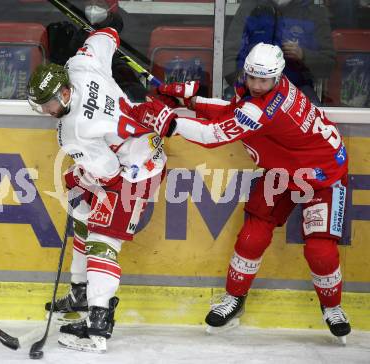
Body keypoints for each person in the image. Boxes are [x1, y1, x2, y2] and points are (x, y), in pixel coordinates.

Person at [127, 42, 351, 343]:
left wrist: (170, 123)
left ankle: (332, 307)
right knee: (251, 236)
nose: (257, 85)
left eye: (264, 80)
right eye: (252, 78)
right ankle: (234, 299)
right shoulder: (259, 92)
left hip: (323, 175)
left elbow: (212, 134)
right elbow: (233, 111)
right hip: (283, 172)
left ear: (277, 76)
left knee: (320, 250)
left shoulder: (266, 108)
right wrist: (193, 102)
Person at [27, 27, 165, 353]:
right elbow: (108, 35)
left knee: (102, 240)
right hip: (138, 151)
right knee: (81, 212)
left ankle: (97, 326)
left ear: (62, 95)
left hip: (133, 172)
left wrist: (83, 178)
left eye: (46, 105)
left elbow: (106, 171)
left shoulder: (74, 132)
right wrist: (105, 23)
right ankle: (80, 293)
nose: (45, 112)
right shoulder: (80, 65)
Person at [223, 0, 335, 104]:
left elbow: (328, 64)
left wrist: (303, 55)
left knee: (314, 117)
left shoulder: (313, 13)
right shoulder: (250, 7)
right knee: (230, 113)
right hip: (251, 87)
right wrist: (245, 80)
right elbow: (230, 55)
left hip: (297, 89)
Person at [46, 0, 147, 102]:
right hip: (83, 92)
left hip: (114, 96)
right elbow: (68, 64)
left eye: (99, 4)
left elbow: (131, 73)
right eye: (89, 4)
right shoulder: (78, 21)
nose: (92, 9)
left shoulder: (130, 32)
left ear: (111, 7)